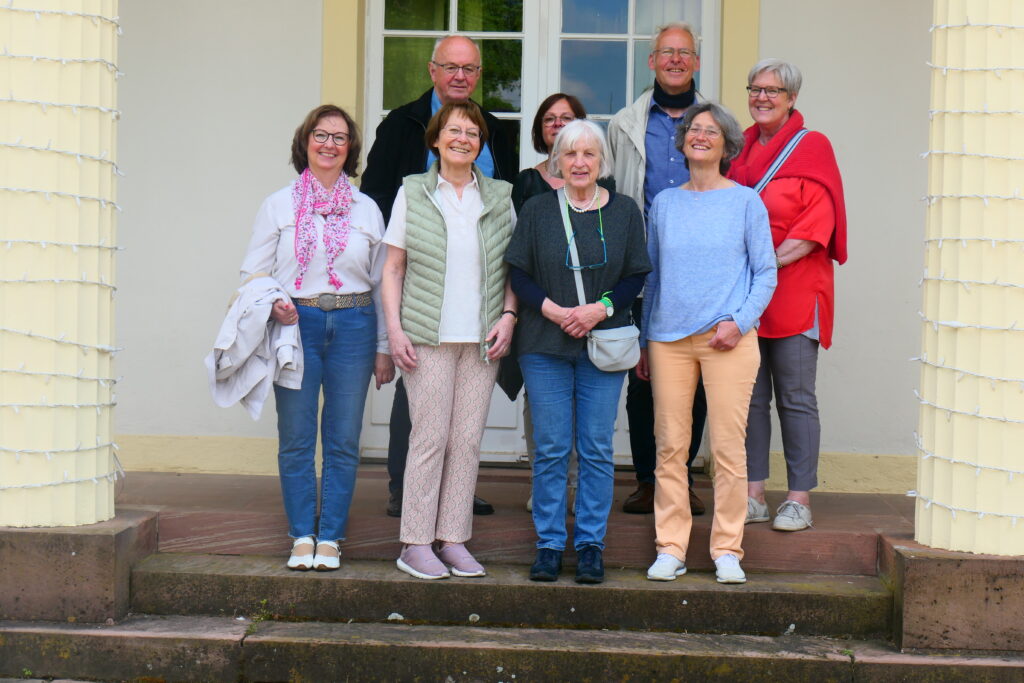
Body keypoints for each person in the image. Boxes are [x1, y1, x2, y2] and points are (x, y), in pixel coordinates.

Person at [362, 34, 518, 519]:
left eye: (469, 69)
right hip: (418, 278)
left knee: (463, 416)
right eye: (450, 67)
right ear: (432, 71)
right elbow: (376, 196)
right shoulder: (401, 125)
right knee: (419, 404)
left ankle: (455, 498)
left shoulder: (495, 128)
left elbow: (506, 208)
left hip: (479, 294)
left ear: (478, 76)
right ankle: (403, 489)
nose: (459, 76)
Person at [239, 104, 394, 571]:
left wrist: (385, 346)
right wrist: (275, 301)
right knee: (297, 437)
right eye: (321, 136)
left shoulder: (367, 209)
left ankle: (330, 537)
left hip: (354, 326)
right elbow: (253, 272)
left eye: (340, 138)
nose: (330, 144)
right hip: (296, 325)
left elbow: (384, 280)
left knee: (344, 438)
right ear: (305, 143)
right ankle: (301, 534)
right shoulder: (278, 205)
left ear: (351, 150)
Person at [506, 120, 651, 584]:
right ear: (557, 161)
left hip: (602, 343)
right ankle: (549, 543)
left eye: (589, 154)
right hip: (544, 344)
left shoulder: (625, 211)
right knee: (550, 448)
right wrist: (550, 310)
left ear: (602, 161)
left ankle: (590, 544)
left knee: (594, 448)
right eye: (570, 155)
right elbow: (519, 273)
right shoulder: (536, 209)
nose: (580, 163)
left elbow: (635, 275)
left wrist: (598, 310)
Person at [639, 102, 776, 585]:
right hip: (668, 339)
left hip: (728, 339)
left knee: (726, 448)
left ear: (727, 144)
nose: (700, 136)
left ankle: (726, 549)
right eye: (693, 129)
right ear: (683, 141)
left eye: (710, 131)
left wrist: (739, 323)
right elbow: (653, 275)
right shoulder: (665, 204)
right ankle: (671, 547)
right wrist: (643, 339)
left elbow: (766, 273)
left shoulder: (745, 202)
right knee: (670, 446)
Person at [381, 100, 517, 580]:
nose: (463, 138)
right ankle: (415, 542)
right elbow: (393, 267)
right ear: (436, 139)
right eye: (454, 130)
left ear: (481, 145)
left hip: (481, 339)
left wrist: (509, 315)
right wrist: (394, 331)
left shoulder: (500, 196)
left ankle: (453, 538)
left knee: (466, 441)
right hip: (428, 337)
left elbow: (510, 268)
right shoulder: (413, 192)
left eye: (473, 133)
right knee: (430, 438)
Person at [728, 59, 848, 532]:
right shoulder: (738, 148)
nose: (761, 97)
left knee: (796, 397)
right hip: (749, 295)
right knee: (751, 398)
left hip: (797, 290)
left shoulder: (813, 146)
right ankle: (754, 492)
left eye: (773, 91)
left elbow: (815, 227)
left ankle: (799, 498)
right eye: (755, 88)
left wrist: (763, 264)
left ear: (792, 98)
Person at [608, 22, 707, 516]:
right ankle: (648, 480)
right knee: (643, 380)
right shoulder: (624, 122)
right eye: (665, 53)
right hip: (641, 271)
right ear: (651, 62)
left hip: (699, 272)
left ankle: (682, 478)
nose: (674, 60)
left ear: (696, 62)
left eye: (683, 53)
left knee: (697, 382)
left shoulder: (715, 122)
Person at [506, 93, 615, 512]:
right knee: (547, 421)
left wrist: (598, 309)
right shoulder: (530, 193)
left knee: (593, 431)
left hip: (596, 326)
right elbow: (520, 259)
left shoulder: (612, 200)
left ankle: (583, 507)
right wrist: (539, 309)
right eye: (550, 120)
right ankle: (549, 492)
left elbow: (628, 271)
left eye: (566, 118)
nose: (557, 124)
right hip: (541, 323)